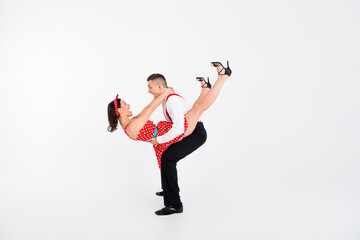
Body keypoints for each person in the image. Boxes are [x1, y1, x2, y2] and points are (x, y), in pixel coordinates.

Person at [107, 61, 232, 215]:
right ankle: (170, 194)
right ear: (119, 110)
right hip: (168, 133)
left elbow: (146, 109)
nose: (129, 105)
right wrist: (165, 93)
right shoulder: (132, 125)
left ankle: (222, 77)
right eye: (125, 104)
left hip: (174, 131)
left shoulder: (130, 124)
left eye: (150, 87)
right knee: (197, 109)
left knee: (198, 108)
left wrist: (166, 93)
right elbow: (151, 108)